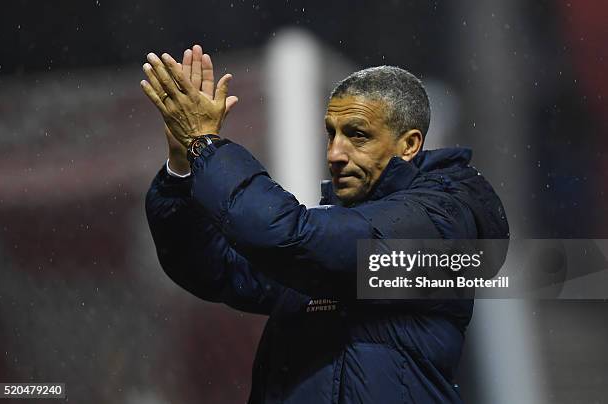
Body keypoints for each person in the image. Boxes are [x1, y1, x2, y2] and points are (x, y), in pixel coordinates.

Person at [141, 44, 509, 404]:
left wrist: (207, 146)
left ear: (409, 145)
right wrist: (183, 167)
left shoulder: (438, 220)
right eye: (331, 133)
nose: (334, 153)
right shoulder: (331, 235)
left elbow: (288, 238)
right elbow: (212, 268)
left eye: (357, 135)